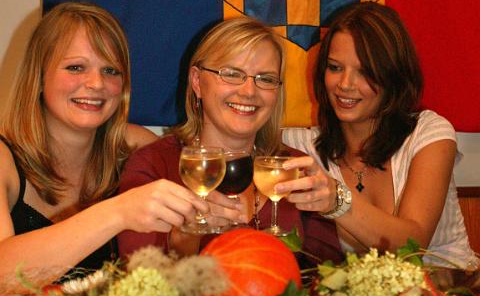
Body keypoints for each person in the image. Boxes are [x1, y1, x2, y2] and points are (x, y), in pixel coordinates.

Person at [0, 2, 208, 289]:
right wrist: (117, 212)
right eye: (76, 67)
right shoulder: (3, 157)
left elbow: (179, 263)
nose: (96, 83)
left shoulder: (137, 147)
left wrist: (197, 218)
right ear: (38, 76)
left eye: (111, 70)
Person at [117, 16, 342, 262]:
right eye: (232, 74)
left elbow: (328, 277)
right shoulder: (153, 166)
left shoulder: (296, 170)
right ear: (197, 82)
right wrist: (186, 236)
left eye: (265, 79)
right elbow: (137, 284)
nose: (248, 91)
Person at [279, 1, 477, 269]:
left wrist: (336, 200)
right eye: (335, 67)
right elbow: (237, 134)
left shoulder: (429, 131)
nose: (345, 85)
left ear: (392, 76)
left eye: (365, 71)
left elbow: (413, 245)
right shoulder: (302, 146)